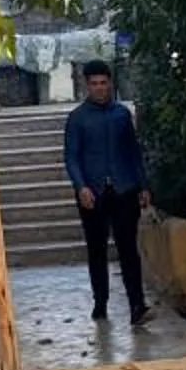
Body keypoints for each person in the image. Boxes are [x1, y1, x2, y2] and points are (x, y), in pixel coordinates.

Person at [62, 60, 151, 326]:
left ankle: (137, 305)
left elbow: (133, 151)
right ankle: (100, 302)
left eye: (103, 83)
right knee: (97, 250)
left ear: (110, 83)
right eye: (94, 84)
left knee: (128, 249)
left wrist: (143, 184)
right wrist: (81, 186)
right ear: (86, 86)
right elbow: (71, 156)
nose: (99, 89)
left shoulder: (122, 115)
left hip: (124, 189)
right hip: (94, 193)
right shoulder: (77, 119)